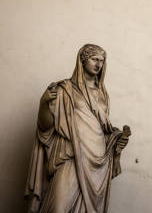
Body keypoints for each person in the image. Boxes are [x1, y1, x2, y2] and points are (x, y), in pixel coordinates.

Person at [25, 44, 130, 213]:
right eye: (94, 59)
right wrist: (44, 103)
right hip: (71, 154)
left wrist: (117, 141)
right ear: (82, 59)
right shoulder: (65, 90)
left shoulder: (103, 95)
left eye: (102, 61)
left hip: (97, 165)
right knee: (57, 208)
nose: (98, 65)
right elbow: (45, 128)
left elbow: (103, 132)